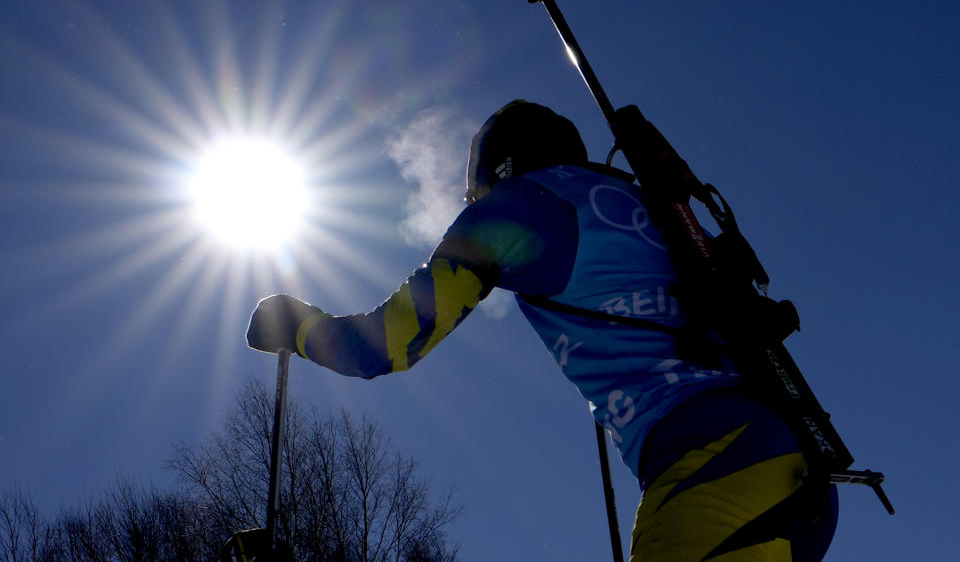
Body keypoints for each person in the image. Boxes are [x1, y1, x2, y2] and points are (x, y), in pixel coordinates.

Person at [246, 100, 839, 561]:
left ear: (494, 171)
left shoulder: (519, 206)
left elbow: (386, 344)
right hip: (788, 460)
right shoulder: (645, 202)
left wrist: (297, 325)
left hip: (715, 467)